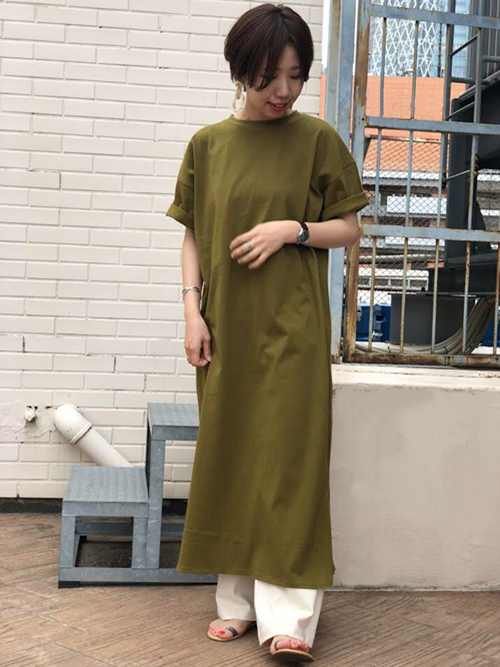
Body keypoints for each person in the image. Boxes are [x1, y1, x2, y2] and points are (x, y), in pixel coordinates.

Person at [165, 3, 369, 663]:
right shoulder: (207, 145)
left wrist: (293, 229)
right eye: (269, 75)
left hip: (293, 333)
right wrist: (192, 311)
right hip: (226, 330)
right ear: (241, 70)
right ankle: (237, 605)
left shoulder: (317, 140)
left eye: (296, 75)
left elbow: (350, 228)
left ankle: (290, 618)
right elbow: (193, 232)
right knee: (231, 458)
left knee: (288, 465)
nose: (284, 90)